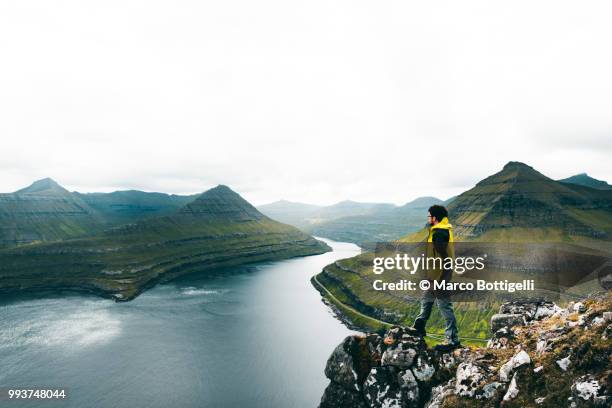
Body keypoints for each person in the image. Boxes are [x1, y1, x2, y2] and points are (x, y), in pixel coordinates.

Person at [411, 204, 460, 350]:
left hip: (440, 277)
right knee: (426, 301)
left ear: (435, 217)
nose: (428, 218)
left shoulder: (439, 233)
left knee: (444, 306)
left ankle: (452, 340)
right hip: (435, 276)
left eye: (429, 215)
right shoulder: (439, 230)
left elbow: (443, 257)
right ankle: (418, 327)